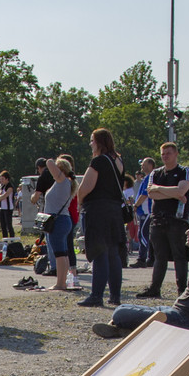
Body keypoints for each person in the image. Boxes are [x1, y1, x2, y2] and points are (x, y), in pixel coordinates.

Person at [94, 213, 189, 338]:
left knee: (119, 313)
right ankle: (125, 330)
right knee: (122, 308)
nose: (187, 232)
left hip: (182, 319)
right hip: (175, 312)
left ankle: (123, 327)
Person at [75, 128, 127, 307]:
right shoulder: (118, 161)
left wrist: (79, 202)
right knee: (113, 253)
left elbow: (86, 187)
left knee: (99, 252)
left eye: (92, 140)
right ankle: (115, 296)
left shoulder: (98, 161)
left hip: (98, 210)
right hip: (114, 210)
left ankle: (96, 295)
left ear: (99, 142)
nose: (90, 144)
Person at [136, 141, 189, 299]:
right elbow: (151, 194)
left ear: (176, 154)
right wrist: (173, 193)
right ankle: (155, 288)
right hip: (157, 219)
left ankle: (182, 290)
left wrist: (159, 189)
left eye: (168, 153)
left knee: (179, 256)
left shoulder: (184, 171)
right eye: (163, 154)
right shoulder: (155, 173)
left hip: (177, 220)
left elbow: (182, 190)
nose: (165, 156)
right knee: (159, 256)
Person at [38, 157, 77, 296]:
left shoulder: (63, 181)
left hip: (58, 221)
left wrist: (51, 160)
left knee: (59, 253)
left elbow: (48, 163)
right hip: (63, 220)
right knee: (63, 252)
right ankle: (63, 281)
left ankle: (60, 283)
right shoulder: (65, 183)